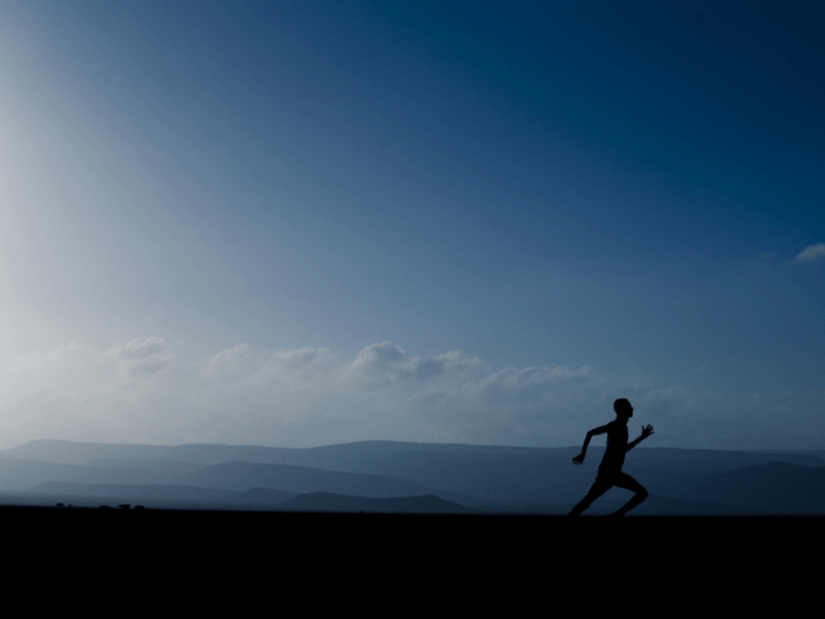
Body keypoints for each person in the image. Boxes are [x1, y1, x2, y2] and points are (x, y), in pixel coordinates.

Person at [568, 398, 654, 516]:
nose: (632, 408)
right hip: (610, 472)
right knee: (642, 493)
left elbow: (590, 433)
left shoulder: (615, 426)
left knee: (587, 501)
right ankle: (616, 515)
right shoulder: (618, 427)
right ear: (622, 410)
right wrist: (641, 437)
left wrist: (583, 454)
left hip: (608, 471)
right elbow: (623, 449)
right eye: (629, 407)